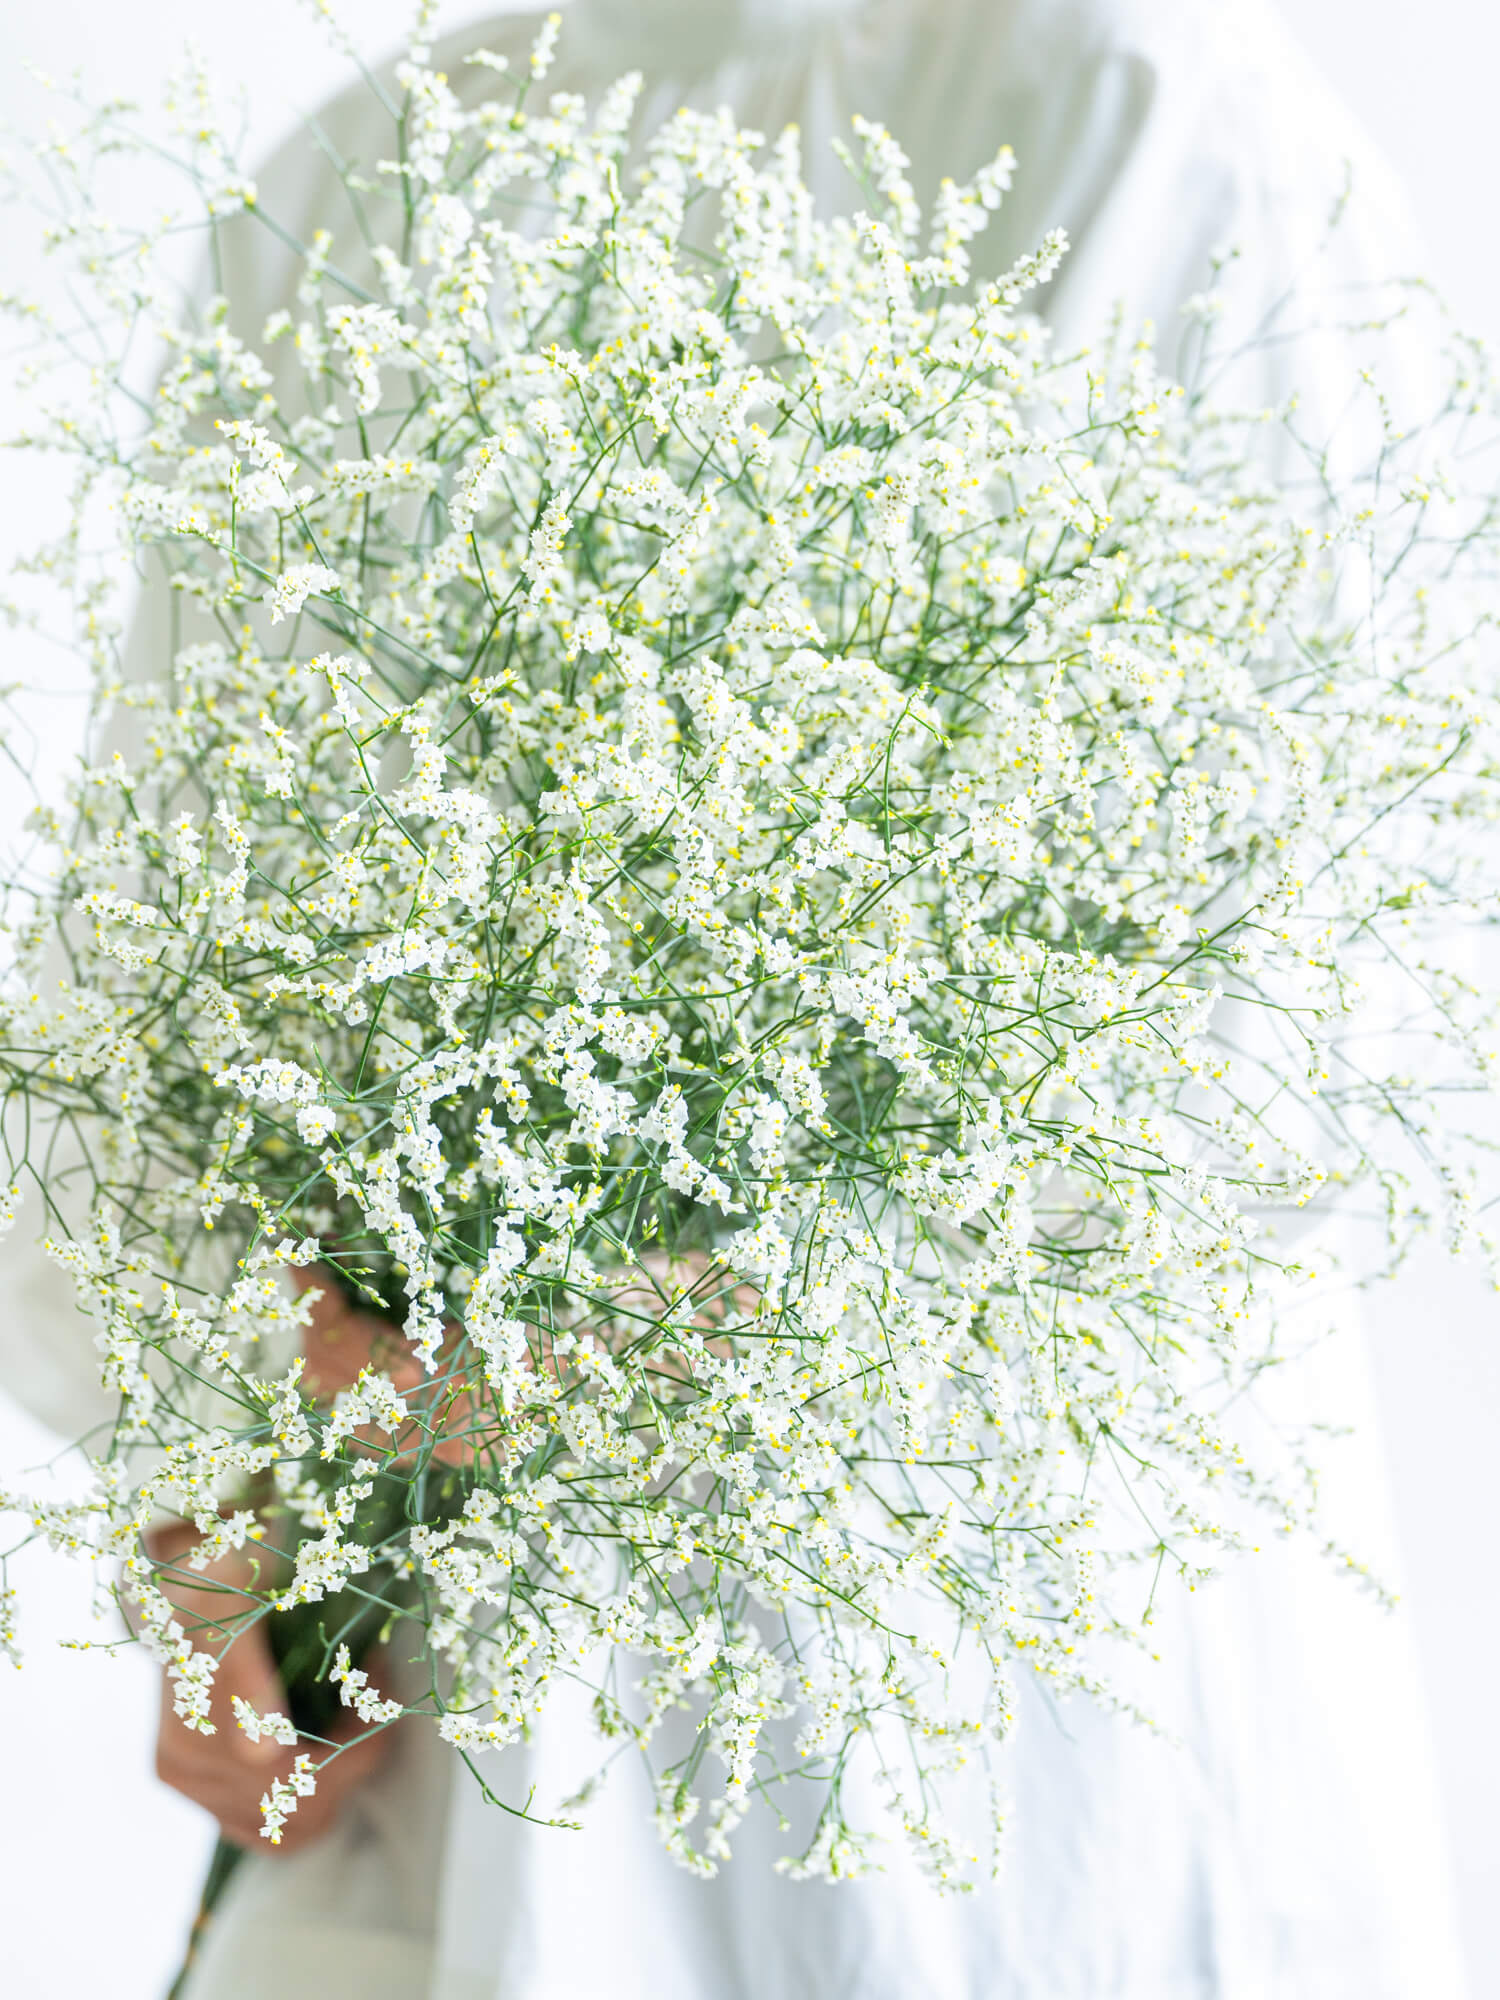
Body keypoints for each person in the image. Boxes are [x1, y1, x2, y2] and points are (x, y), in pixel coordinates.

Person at [0, 3, 1471, 1995]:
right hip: (440, 1783)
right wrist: (229, 1554)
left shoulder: (1155, 121)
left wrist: (533, 1374)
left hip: (975, 1768)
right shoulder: (357, 177)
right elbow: (143, 1025)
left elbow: (1273, 1051)